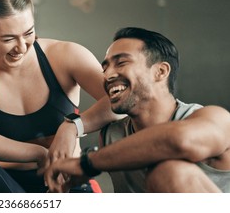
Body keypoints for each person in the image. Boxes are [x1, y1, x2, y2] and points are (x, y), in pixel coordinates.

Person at [0, 0, 119, 192]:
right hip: (6, 185)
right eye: (8, 38)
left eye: (28, 33)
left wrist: (72, 126)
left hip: (66, 183)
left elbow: (121, 102)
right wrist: (39, 153)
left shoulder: (66, 54)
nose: (21, 47)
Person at [44, 27, 230, 193]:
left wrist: (87, 164)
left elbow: (179, 141)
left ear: (161, 71)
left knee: (168, 173)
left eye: (122, 63)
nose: (107, 75)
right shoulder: (112, 136)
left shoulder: (214, 119)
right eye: (105, 67)